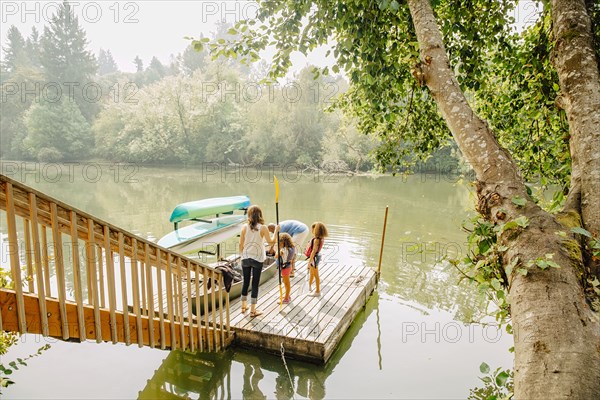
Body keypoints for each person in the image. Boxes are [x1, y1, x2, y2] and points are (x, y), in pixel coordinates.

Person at [240, 205, 278, 317]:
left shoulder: (244, 227)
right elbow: (271, 243)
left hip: (245, 257)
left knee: (245, 282)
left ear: (249, 215)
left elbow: (241, 244)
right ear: (260, 215)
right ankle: (252, 310)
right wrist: (276, 231)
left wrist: (242, 255)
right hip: (257, 258)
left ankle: (243, 306)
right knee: (255, 284)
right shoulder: (263, 228)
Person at [305, 222, 328, 297]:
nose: (312, 230)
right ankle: (309, 286)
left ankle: (317, 291)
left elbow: (313, 251)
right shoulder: (321, 238)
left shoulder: (316, 240)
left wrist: (309, 261)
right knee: (312, 273)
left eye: (313, 229)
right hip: (316, 257)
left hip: (314, 258)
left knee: (316, 275)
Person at [277, 232, 296, 304]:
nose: (279, 243)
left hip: (285, 268)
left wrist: (278, 251)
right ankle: (287, 295)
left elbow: (276, 256)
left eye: (280, 242)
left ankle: (286, 298)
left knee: (286, 283)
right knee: (286, 282)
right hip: (289, 267)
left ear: (283, 241)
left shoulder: (284, 250)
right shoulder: (292, 248)